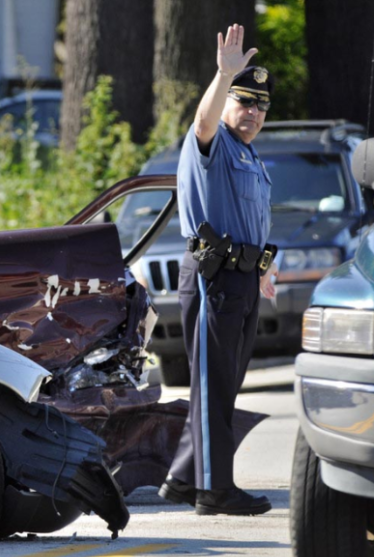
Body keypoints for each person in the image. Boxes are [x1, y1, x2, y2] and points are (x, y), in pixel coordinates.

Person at [157, 23, 278, 516]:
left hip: (242, 279)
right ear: (229, 100)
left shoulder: (249, 154)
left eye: (260, 105)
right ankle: (214, 491)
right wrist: (222, 77)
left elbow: (252, 217)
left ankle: (183, 479)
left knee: (223, 384)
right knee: (212, 385)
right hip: (214, 278)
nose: (251, 112)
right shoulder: (214, 144)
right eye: (243, 100)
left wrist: (264, 269)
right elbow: (204, 122)